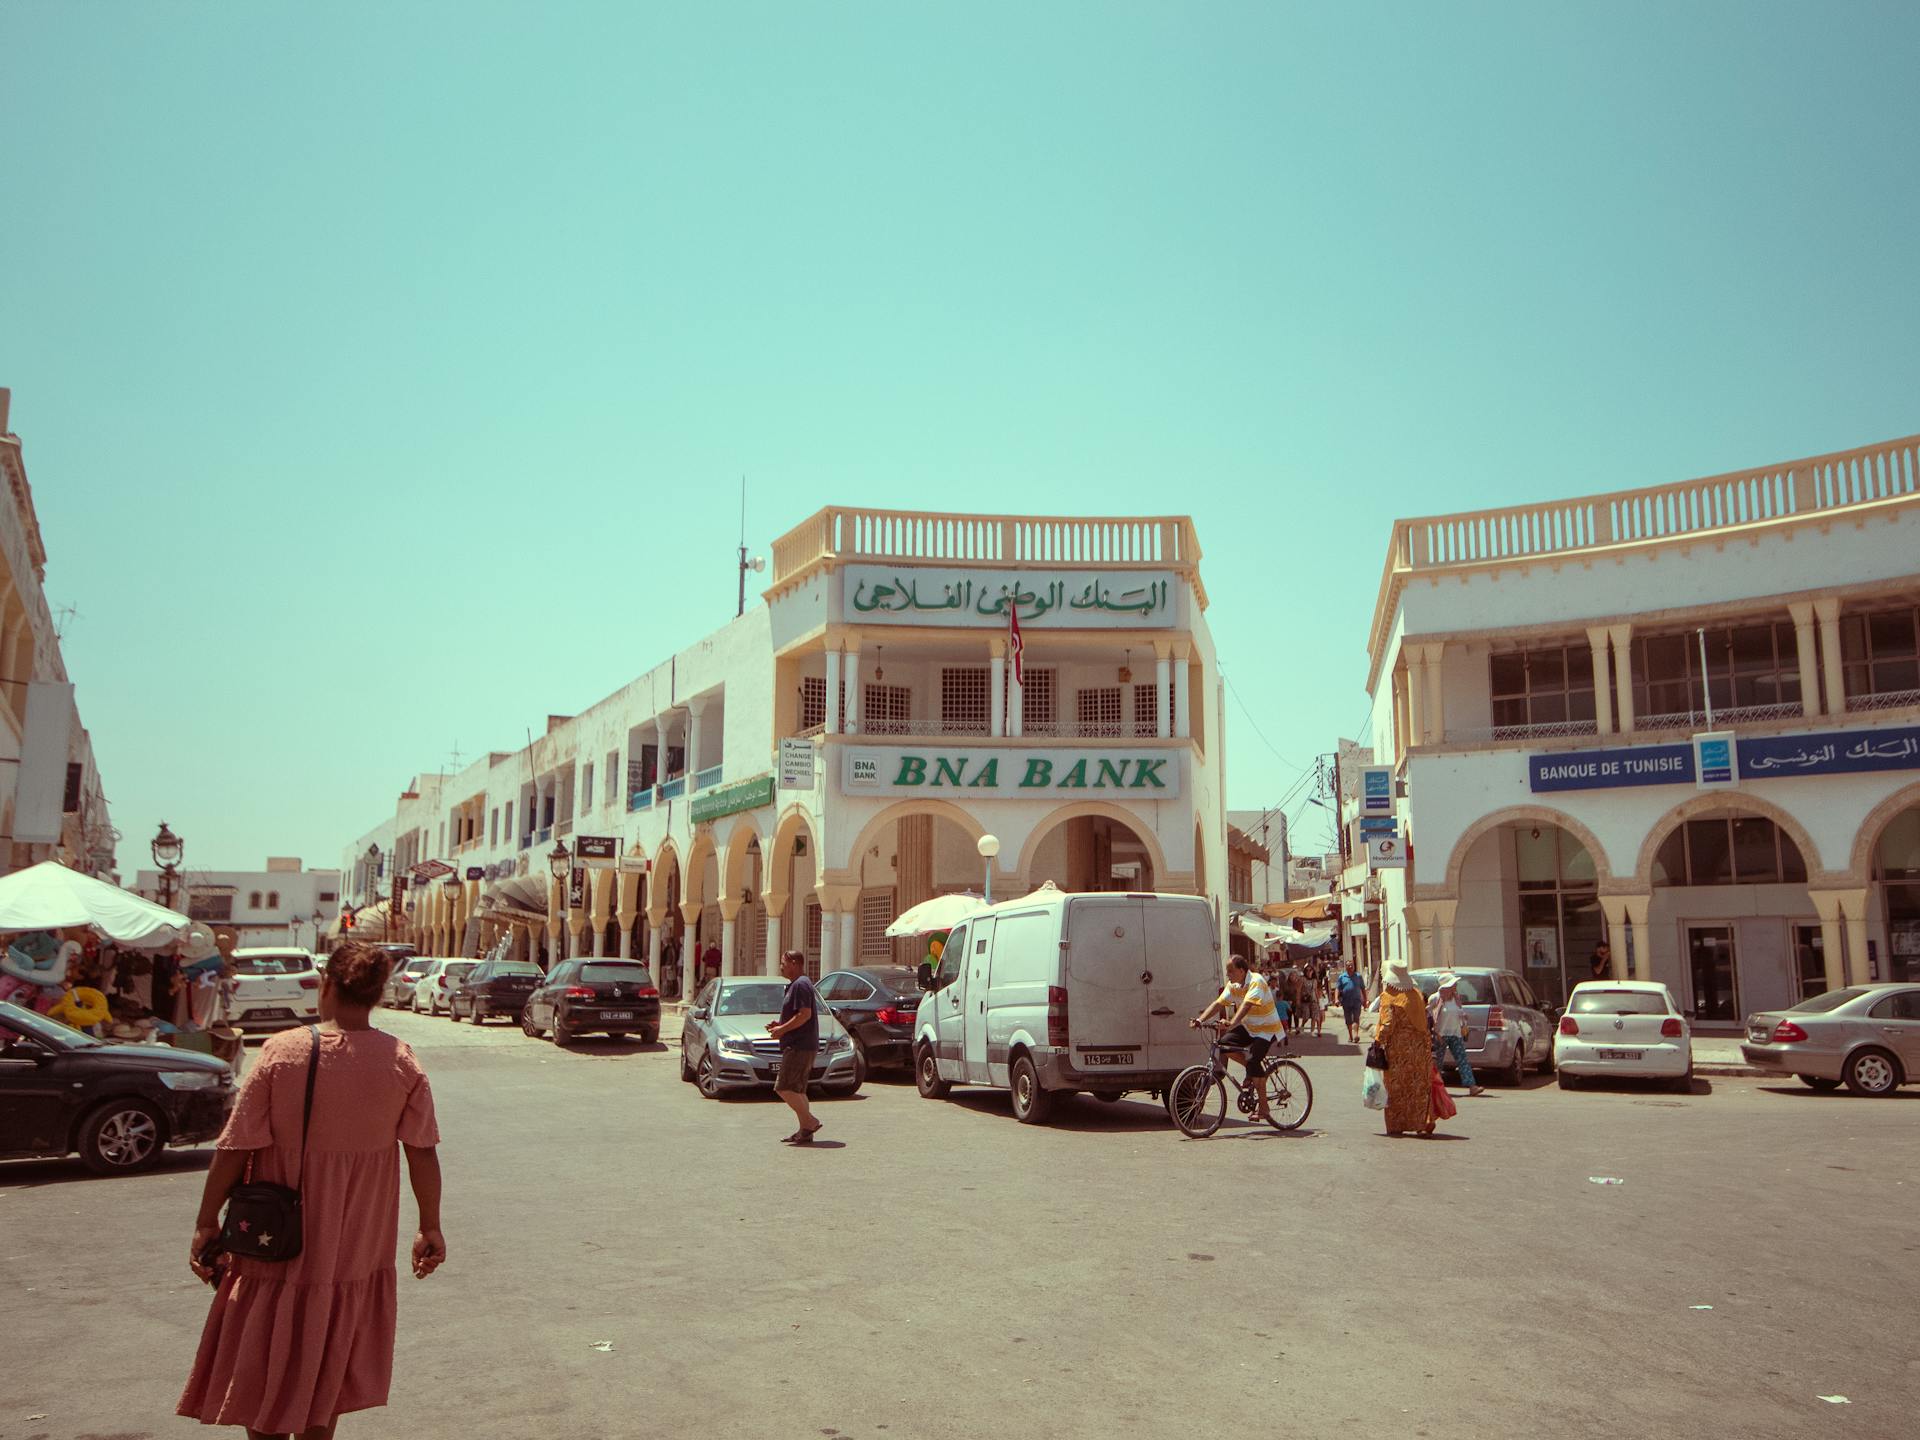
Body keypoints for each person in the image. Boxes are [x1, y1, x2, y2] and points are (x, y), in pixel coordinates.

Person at [178, 940, 446, 1439]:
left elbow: (235, 1147)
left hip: (278, 1235)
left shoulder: (284, 1052)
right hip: (354, 1239)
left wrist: (204, 1220)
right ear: (377, 994)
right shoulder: (401, 1061)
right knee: (327, 1359)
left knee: (265, 1360)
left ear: (326, 985)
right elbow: (422, 1151)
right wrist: (429, 1226)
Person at [1190, 956, 1285, 1122]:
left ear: (1242, 970)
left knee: (1255, 1060)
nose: (1228, 975)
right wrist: (1200, 1020)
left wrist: (1231, 1023)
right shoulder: (1233, 985)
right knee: (1224, 1044)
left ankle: (1264, 1108)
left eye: (1230, 971)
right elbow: (1219, 1003)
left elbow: (1247, 1005)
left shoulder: (1257, 980)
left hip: (1267, 1028)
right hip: (1250, 1027)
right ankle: (1250, 1069)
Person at [765, 949, 822, 1145]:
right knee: (798, 1090)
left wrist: (782, 1030)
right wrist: (780, 1025)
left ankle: (810, 1121)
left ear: (794, 963)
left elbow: (804, 1014)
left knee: (784, 1088)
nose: (781, 966)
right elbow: (798, 1015)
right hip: (799, 1043)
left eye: (783, 962)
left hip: (800, 1045)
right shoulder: (796, 985)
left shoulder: (801, 985)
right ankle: (805, 1130)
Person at [1373, 960, 1435, 1136]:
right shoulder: (1416, 994)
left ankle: (1396, 1125)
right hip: (1420, 1049)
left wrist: (1378, 1041)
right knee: (1417, 1087)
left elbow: (1387, 1024)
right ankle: (1421, 1124)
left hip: (1399, 1051)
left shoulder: (1389, 996)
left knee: (1397, 1089)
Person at [1428, 972, 1486, 1097]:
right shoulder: (1435, 998)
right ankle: (1434, 1088)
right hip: (1440, 1035)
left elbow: (1459, 1012)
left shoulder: (1456, 998)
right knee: (1437, 1063)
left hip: (1455, 1033)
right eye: (1454, 983)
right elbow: (1429, 1015)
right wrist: (1434, 1031)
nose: (1456, 985)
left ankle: (1472, 1086)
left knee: (1463, 1060)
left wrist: (1463, 1018)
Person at [1336, 960, 1367, 1043]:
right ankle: (1350, 1035)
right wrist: (1336, 999)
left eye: (1351, 965)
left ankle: (1356, 1035)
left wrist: (1365, 1000)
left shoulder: (1358, 976)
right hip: (1346, 1001)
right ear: (1345, 967)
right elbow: (1338, 989)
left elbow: (1363, 989)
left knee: (1356, 1018)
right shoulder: (1342, 977)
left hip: (1357, 1001)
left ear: (1354, 966)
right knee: (1348, 1019)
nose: (1350, 967)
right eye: (1348, 965)